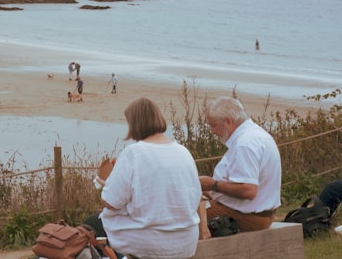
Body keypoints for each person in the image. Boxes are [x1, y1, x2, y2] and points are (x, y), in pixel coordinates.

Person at [86, 97, 203, 259]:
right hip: (186, 241)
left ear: (134, 123)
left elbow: (110, 202)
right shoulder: (183, 151)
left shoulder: (134, 152)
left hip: (152, 243)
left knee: (90, 224)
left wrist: (108, 185)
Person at [200, 96, 282, 232]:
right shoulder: (255, 135)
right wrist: (209, 190)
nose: (212, 131)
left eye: (213, 125)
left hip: (247, 216)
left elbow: (248, 190)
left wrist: (213, 185)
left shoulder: (244, 144)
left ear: (227, 121)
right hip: (254, 212)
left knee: (187, 216)